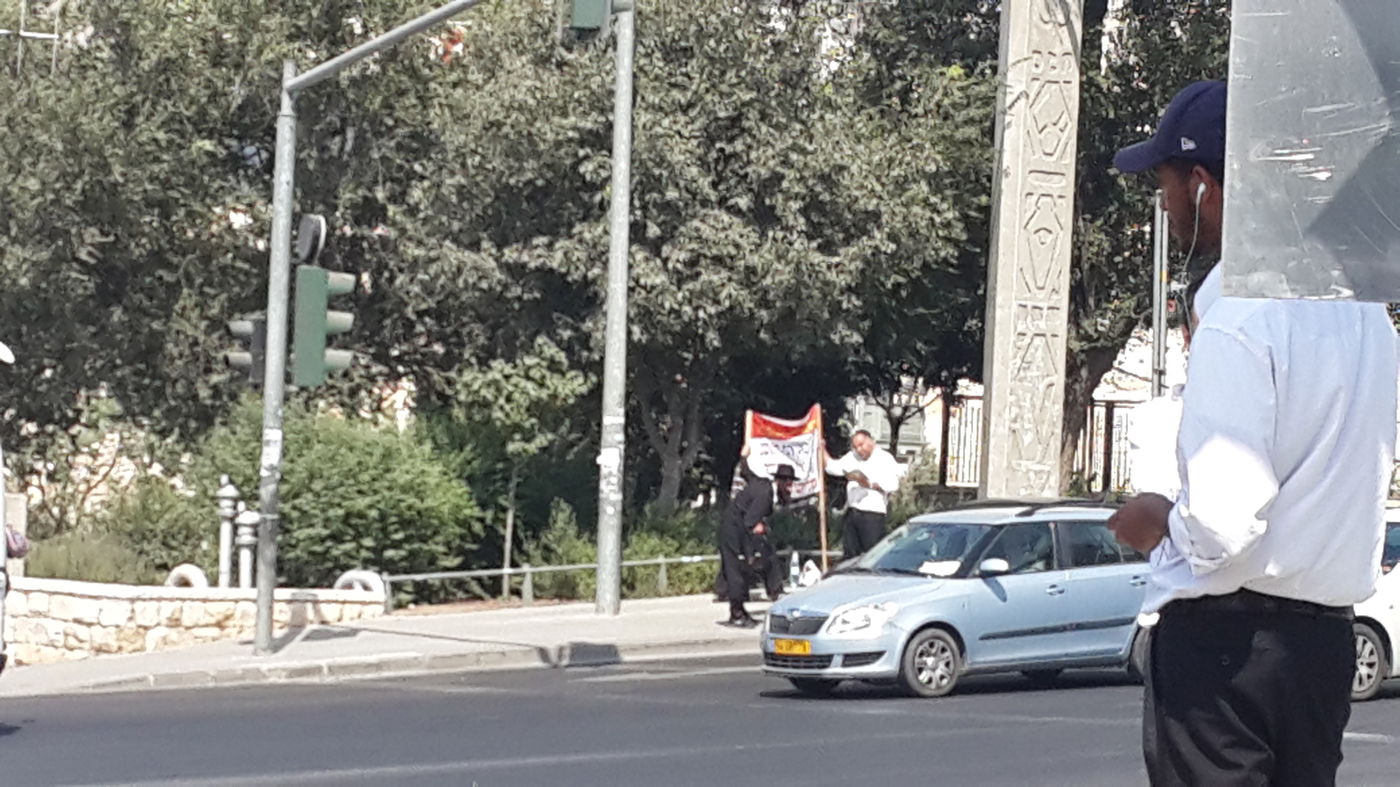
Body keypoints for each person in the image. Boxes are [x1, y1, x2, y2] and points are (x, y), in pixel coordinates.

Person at [1108, 80, 1399, 786]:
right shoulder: (1365, 317)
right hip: (1323, 641)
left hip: (1226, 648)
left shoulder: (1238, 319)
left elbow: (1223, 523)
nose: (1165, 204)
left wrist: (1158, 523)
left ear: (1204, 185)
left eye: (1166, 184)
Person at [718, 456, 795, 627]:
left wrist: (744, 458)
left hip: (739, 527)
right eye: (788, 484)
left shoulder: (763, 485)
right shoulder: (765, 494)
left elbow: (747, 473)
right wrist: (753, 546)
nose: (790, 488)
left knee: (762, 559)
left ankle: (767, 594)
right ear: (779, 482)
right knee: (736, 569)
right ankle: (736, 614)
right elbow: (750, 522)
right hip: (734, 529)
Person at [825, 430, 902, 561]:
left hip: (872, 514)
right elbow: (833, 467)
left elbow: (893, 484)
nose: (859, 450)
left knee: (872, 554)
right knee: (850, 554)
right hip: (853, 511)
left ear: (871, 440)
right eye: (856, 447)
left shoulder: (884, 458)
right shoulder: (852, 457)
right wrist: (822, 449)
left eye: (861, 445)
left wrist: (869, 484)